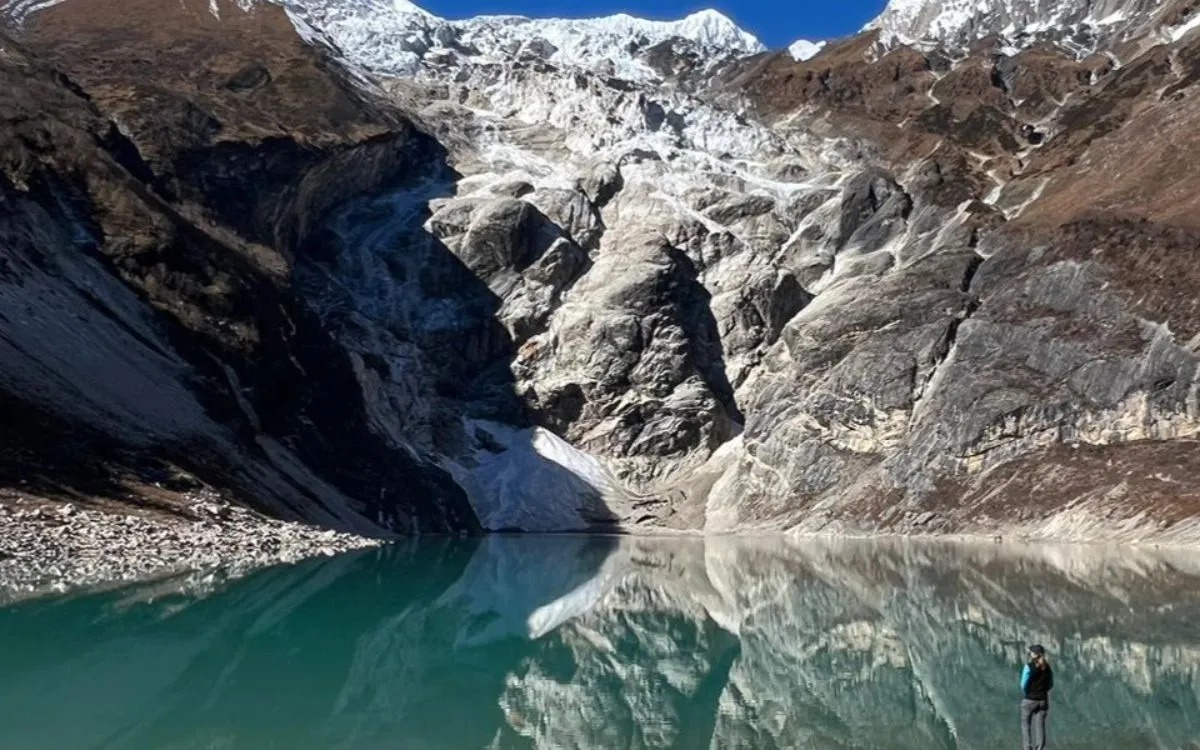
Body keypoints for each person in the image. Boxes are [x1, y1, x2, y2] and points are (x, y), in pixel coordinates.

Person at [1020, 644, 1054, 750]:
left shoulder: (1028, 667)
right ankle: (1040, 747)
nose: (1029, 654)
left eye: (1030, 652)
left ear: (1035, 654)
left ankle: (1027, 747)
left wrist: (1029, 692)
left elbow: (1023, 684)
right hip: (1043, 700)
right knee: (1040, 725)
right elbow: (1051, 684)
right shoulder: (1047, 668)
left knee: (1026, 724)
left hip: (1029, 700)